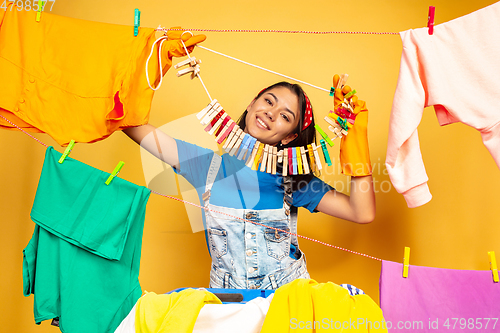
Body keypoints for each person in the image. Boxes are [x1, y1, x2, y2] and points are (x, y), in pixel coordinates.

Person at [124, 35, 375, 290]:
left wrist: (356, 146)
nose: (270, 113)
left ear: (289, 137)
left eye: (285, 116)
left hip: (285, 304)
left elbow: (362, 212)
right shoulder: (206, 167)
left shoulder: (293, 181)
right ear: (252, 103)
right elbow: (133, 125)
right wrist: (155, 62)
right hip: (228, 304)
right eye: (268, 101)